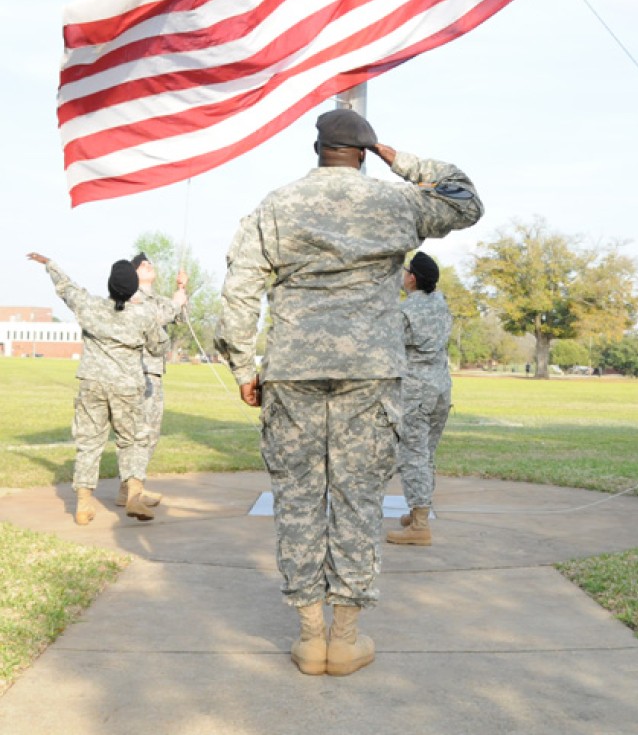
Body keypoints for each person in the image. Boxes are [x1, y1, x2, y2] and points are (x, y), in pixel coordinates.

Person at [214, 108, 483, 676]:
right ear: (362, 152)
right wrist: (400, 159)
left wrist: (243, 367)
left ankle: (310, 638)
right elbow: (465, 200)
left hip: (292, 370)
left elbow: (238, 287)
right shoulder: (394, 202)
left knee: (299, 497)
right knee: (359, 499)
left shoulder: (277, 204)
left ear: (317, 150)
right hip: (370, 372)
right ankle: (347, 637)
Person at [27, 253, 168, 525]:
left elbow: (67, 288)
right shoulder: (143, 316)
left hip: (91, 383)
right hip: (127, 387)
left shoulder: (90, 307)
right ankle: (135, 492)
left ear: (110, 285)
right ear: (132, 288)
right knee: (134, 439)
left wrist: (50, 264)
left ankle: (83, 504)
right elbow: (159, 347)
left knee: (89, 443)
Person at [386, 252, 453, 547]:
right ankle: (417, 513)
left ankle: (420, 523)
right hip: (441, 387)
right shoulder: (441, 304)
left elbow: (387, 346)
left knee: (414, 455)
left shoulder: (405, 311)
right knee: (427, 454)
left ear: (412, 278)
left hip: (416, 390)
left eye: (405, 272)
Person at [113, 252, 188, 509]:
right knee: (139, 432)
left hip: (153, 372)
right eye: (143, 265)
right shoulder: (133, 296)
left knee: (150, 431)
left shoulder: (158, 299)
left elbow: (180, 319)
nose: (149, 266)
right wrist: (175, 304)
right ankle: (133, 490)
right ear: (134, 274)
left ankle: (130, 488)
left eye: (150, 264)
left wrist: (181, 292)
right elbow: (151, 320)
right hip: (138, 370)